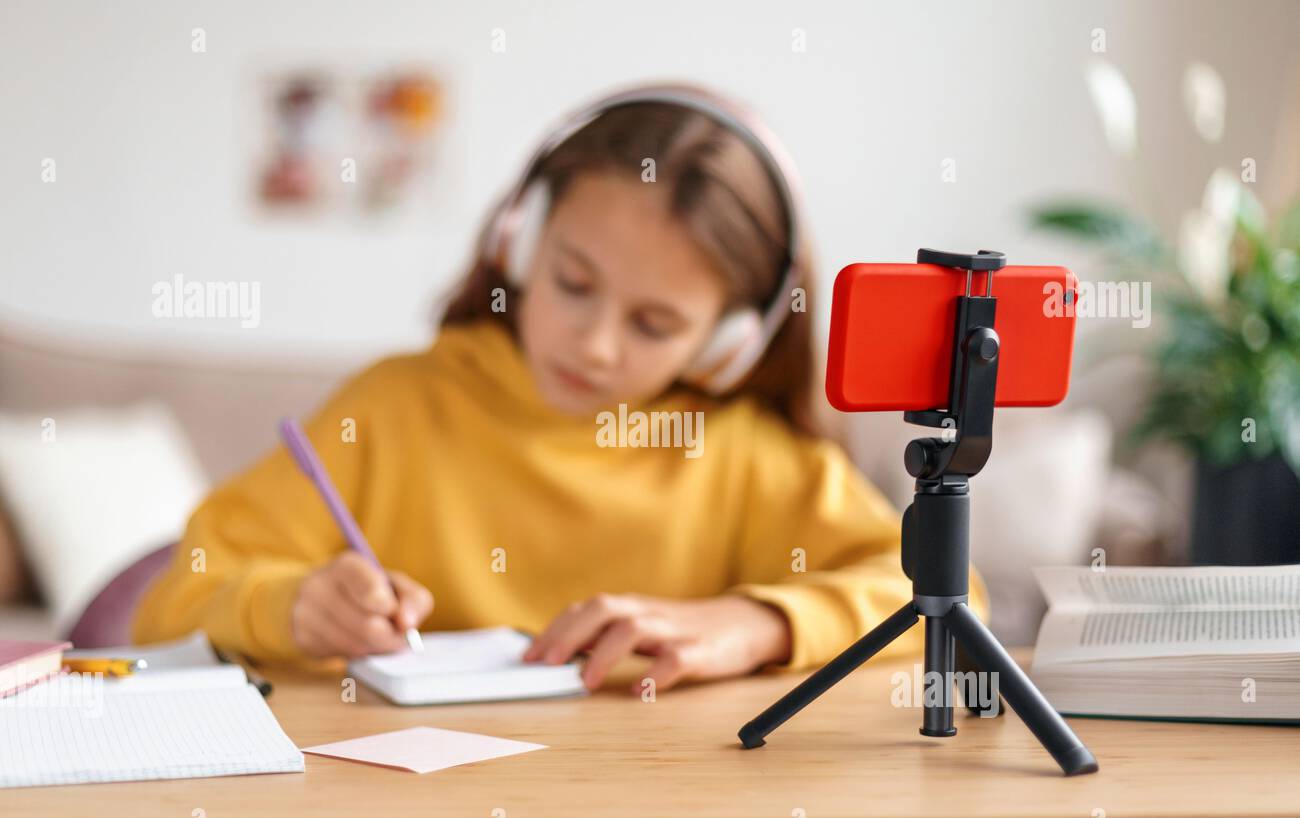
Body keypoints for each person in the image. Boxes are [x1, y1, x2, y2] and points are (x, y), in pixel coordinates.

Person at [133, 84, 988, 693]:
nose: (596, 343)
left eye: (654, 325)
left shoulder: (743, 454)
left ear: (729, 343)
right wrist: (289, 607)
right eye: (575, 282)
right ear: (521, 242)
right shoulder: (390, 409)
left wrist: (752, 623)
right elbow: (172, 598)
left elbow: (946, 593)